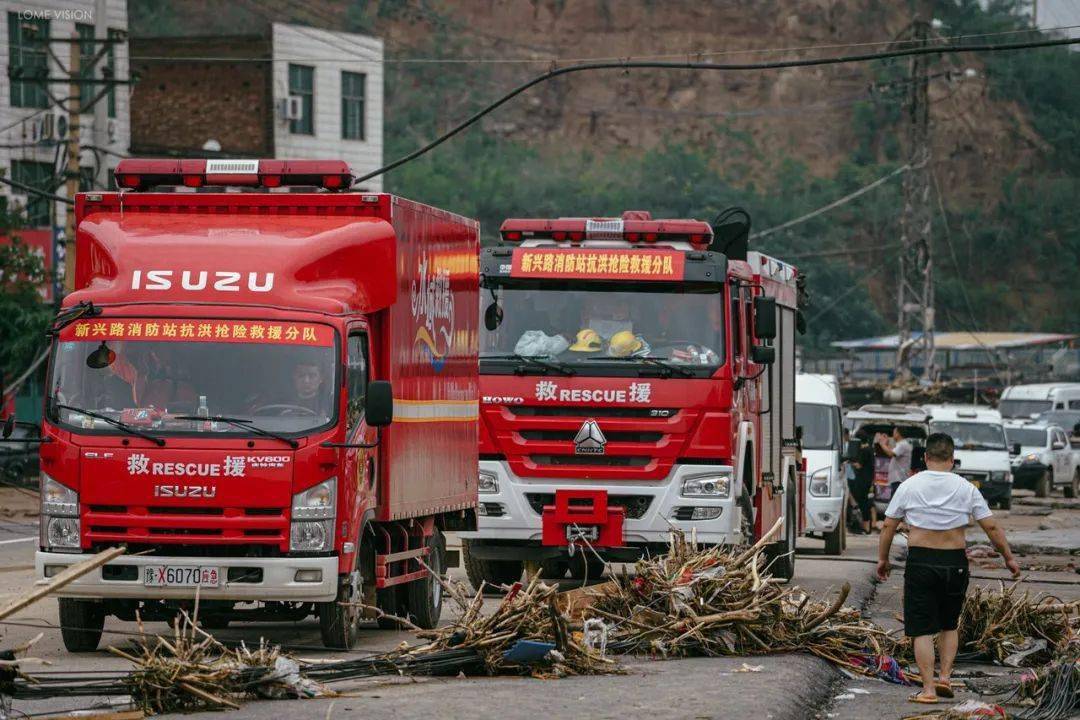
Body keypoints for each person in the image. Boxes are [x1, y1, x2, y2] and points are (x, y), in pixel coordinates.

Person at [877, 432, 1020, 705]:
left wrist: (882, 559)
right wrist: (1008, 558)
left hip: (921, 561)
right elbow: (990, 526)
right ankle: (945, 677)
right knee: (948, 624)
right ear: (952, 459)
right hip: (954, 562)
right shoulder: (966, 487)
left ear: (926, 457)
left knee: (921, 628)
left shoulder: (910, 485)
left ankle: (929, 689)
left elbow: (888, 526)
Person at [848, 432, 875, 534]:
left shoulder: (864, 451)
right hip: (867, 480)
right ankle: (867, 527)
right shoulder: (870, 450)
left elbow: (859, 465)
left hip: (862, 481)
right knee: (865, 503)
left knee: (862, 503)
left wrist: (850, 462)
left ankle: (865, 527)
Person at [878, 426, 913, 496]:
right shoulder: (901, 444)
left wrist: (882, 443)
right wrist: (886, 443)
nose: (893, 434)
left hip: (899, 479)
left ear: (898, 434)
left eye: (894, 432)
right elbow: (892, 450)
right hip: (897, 479)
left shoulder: (903, 444)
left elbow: (890, 453)